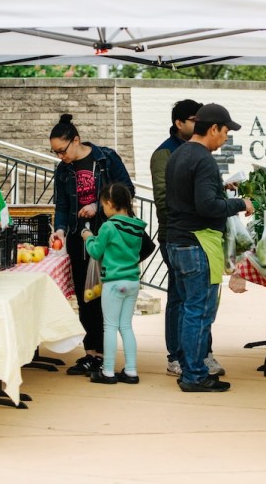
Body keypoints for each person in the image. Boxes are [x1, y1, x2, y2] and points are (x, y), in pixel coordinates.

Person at [166, 103, 254, 392]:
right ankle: (194, 376)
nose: (226, 137)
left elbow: (193, 197)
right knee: (199, 311)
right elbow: (206, 206)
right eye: (226, 131)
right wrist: (242, 203)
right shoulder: (203, 159)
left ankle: (190, 367)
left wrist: (219, 188)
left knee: (188, 309)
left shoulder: (178, 154)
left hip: (177, 241)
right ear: (213, 128)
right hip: (197, 243)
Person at [49, 114, 135, 377]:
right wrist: (61, 230)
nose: (60, 156)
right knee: (87, 296)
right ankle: (91, 355)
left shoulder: (106, 158)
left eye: (62, 150)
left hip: (108, 236)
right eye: (55, 152)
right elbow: (62, 205)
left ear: (76, 140)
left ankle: (106, 355)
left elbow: (127, 190)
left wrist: (98, 205)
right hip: (79, 238)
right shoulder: (63, 170)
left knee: (104, 296)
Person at [151, 99, 225, 378]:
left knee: (195, 302)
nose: (199, 123)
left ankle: (197, 357)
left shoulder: (192, 152)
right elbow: (165, 198)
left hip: (186, 236)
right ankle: (181, 359)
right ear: (179, 123)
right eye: (194, 119)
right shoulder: (165, 154)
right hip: (182, 237)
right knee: (185, 301)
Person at [81, 183, 145, 385]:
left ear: (110, 203)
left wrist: (88, 238)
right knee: (126, 326)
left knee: (109, 327)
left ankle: (108, 371)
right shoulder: (137, 226)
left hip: (113, 282)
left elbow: (96, 252)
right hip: (133, 281)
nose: (103, 209)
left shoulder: (108, 226)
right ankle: (131, 371)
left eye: (103, 205)